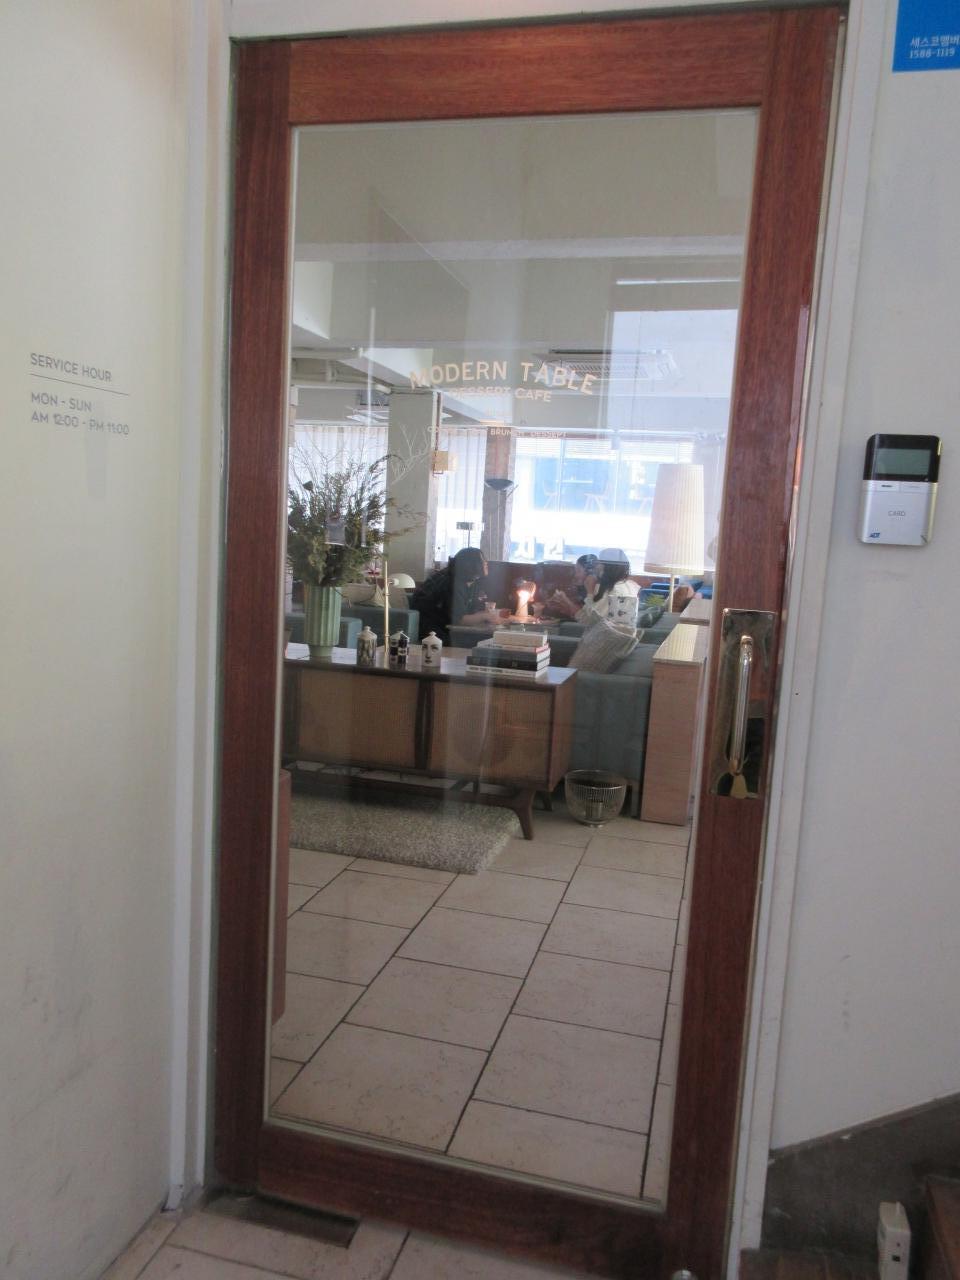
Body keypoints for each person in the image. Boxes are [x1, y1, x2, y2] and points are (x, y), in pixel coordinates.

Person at [409, 547, 493, 643]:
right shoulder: (452, 581)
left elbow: (467, 611)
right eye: (482, 560)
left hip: (444, 625)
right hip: (429, 629)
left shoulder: (468, 580)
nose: (486, 563)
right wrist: (485, 616)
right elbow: (460, 620)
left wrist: (485, 614)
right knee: (475, 641)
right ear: (470, 564)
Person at [575, 547, 640, 627]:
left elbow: (590, 621)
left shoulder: (613, 590)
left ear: (608, 567)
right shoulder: (629, 585)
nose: (596, 567)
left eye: (599, 563)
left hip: (606, 633)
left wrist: (590, 592)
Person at [542, 553, 599, 619]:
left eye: (579, 571)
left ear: (590, 573)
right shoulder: (582, 588)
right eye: (575, 570)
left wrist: (565, 599)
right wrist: (558, 603)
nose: (576, 575)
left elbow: (583, 616)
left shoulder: (595, 591)